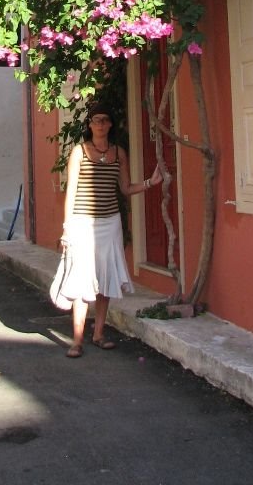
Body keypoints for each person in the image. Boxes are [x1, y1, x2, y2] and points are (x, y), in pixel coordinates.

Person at [57, 101, 163, 358]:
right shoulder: (79, 152)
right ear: (89, 125)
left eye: (105, 119)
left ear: (111, 124)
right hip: (82, 221)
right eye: (96, 120)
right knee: (82, 281)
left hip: (109, 222)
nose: (101, 124)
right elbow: (71, 191)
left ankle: (99, 334)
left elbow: (125, 188)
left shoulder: (118, 153)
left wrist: (151, 182)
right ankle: (77, 339)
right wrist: (66, 228)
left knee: (105, 279)